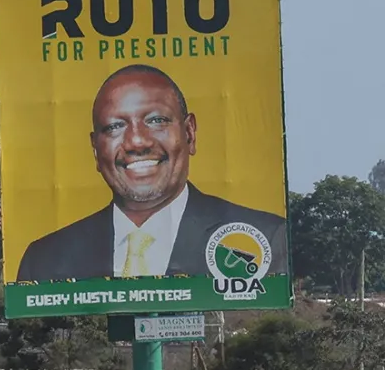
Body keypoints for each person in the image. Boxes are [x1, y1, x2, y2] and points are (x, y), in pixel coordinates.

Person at [15, 64, 286, 282]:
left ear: (189, 133)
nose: (136, 142)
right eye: (114, 127)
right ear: (96, 150)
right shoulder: (44, 261)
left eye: (156, 121)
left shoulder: (264, 240)